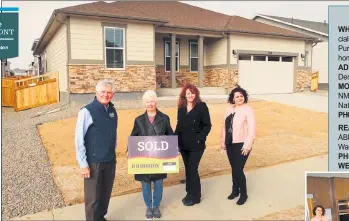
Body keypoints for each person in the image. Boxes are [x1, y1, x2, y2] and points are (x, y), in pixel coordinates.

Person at [75, 79, 118, 221]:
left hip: (110, 159)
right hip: (94, 162)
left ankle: (100, 217)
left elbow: (114, 133)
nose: (106, 95)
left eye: (109, 92)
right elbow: (79, 139)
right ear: (96, 92)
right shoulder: (87, 111)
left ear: (113, 94)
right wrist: (83, 164)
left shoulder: (112, 110)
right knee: (93, 198)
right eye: (103, 92)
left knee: (105, 194)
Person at [130, 90, 174, 220]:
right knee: (145, 183)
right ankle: (149, 206)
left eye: (152, 101)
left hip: (159, 157)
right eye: (147, 101)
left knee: (159, 183)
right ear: (144, 103)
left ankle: (156, 206)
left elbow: (170, 135)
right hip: (143, 157)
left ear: (156, 102)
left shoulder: (164, 118)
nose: (150, 104)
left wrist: (174, 147)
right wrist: (130, 151)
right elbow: (133, 136)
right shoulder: (138, 120)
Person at [175, 83, 212, 206]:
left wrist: (200, 138)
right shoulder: (181, 108)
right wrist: (173, 141)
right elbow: (179, 126)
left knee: (192, 169)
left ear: (196, 94)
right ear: (184, 96)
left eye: (192, 93)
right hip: (183, 145)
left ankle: (195, 196)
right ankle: (189, 193)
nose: (190, 95)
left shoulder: (201, 106)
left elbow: (207, 125)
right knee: (188, 169)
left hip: (196, 146)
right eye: (188, 93)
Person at [220, 85, 256, 205]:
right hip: (230, 143)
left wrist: (247, 145)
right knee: (234, 169)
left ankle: (243, 194)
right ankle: (235, 190)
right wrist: (223, 143)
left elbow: (252, 130)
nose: (239, 98)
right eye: (237, 96)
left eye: (241, 96)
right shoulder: (229, 109)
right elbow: (224, 127)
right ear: (233, 99)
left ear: (244, 97)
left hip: (242, 144)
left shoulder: (248, 110)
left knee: (238, 169)